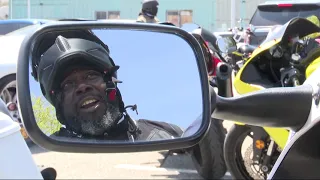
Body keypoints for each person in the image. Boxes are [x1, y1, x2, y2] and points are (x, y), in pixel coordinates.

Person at [35, 35, 183, 141]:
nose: (82, 87)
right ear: (58, 103)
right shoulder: (45, 155)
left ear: (112, 83)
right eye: (68, 85)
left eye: (91, 76)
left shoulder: (165, 135)